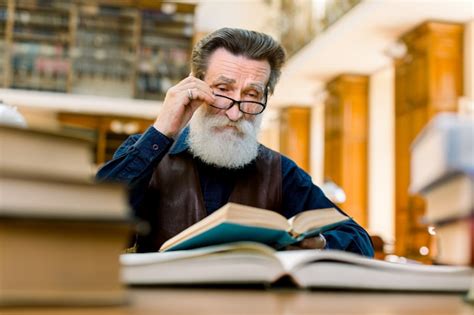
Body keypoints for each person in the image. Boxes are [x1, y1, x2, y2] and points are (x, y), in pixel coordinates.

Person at [96, 28, 374, 256]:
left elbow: (359, 240)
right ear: (196, 85)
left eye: (252, 94)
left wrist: (321, 243)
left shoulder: (281, 171)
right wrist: (162, 131)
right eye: (223, 89)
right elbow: (95, 226)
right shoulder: (146, 152)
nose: (235, 112)